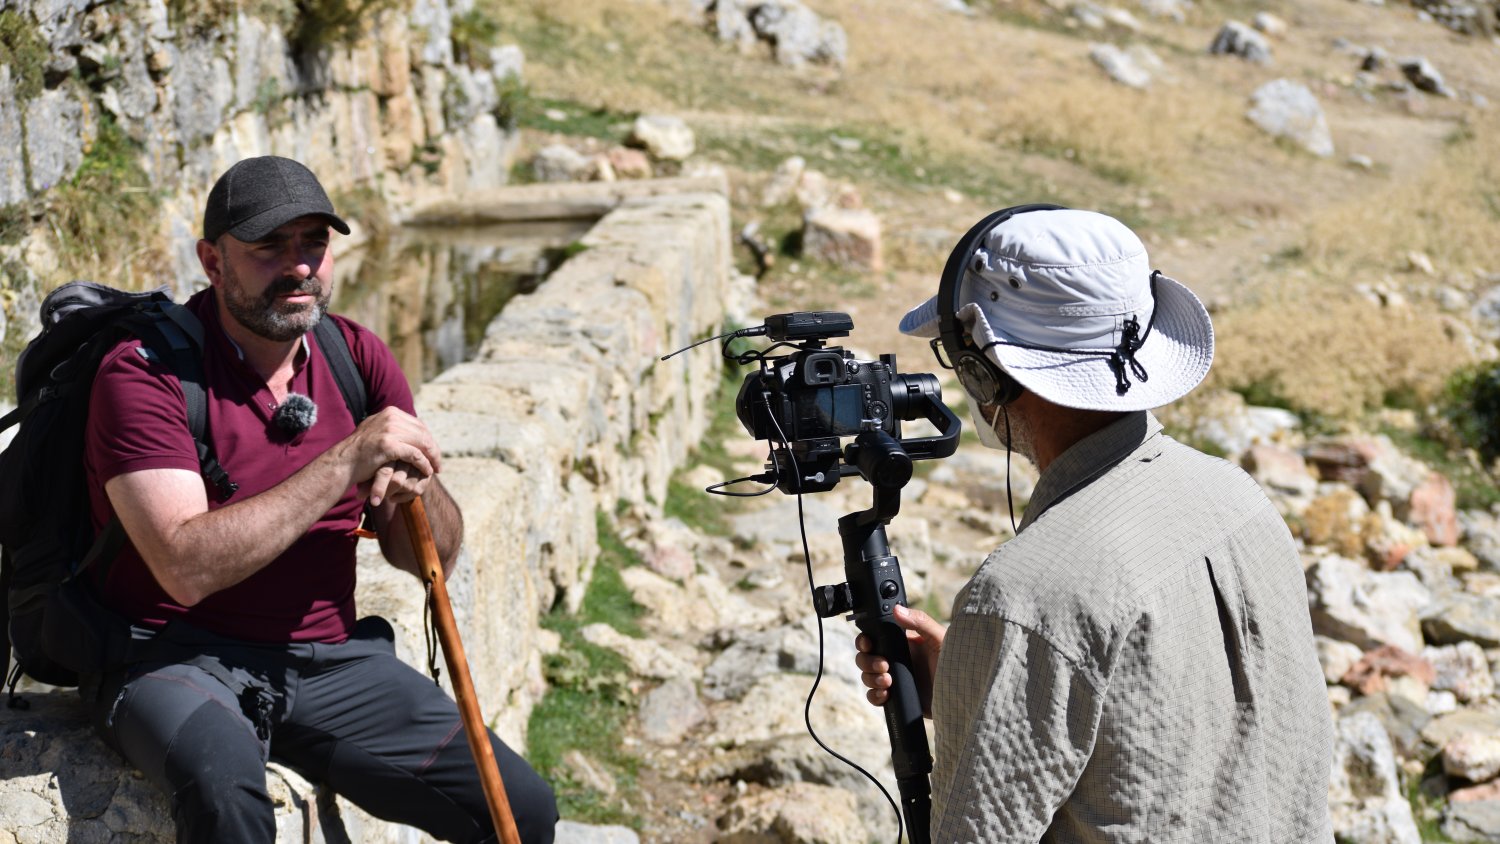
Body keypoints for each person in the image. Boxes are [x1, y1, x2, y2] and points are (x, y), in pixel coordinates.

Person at [80, 155, 557, 843]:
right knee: (225, 799)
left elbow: (428, 558)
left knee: (522, 809)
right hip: (172, 661)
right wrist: (344, 462)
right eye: (269, 246)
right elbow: (183, 566)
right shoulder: (144, 372)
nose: (299, 266)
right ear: (212, 262)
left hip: (329, 662)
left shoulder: (355, 357)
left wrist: (420, 490)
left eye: (314, 242)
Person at [855, 207, 1333, 841]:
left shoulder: (1024, 598)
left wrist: (1013, 642)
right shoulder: (1240, 498)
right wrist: (975, 684)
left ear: (985, 372)